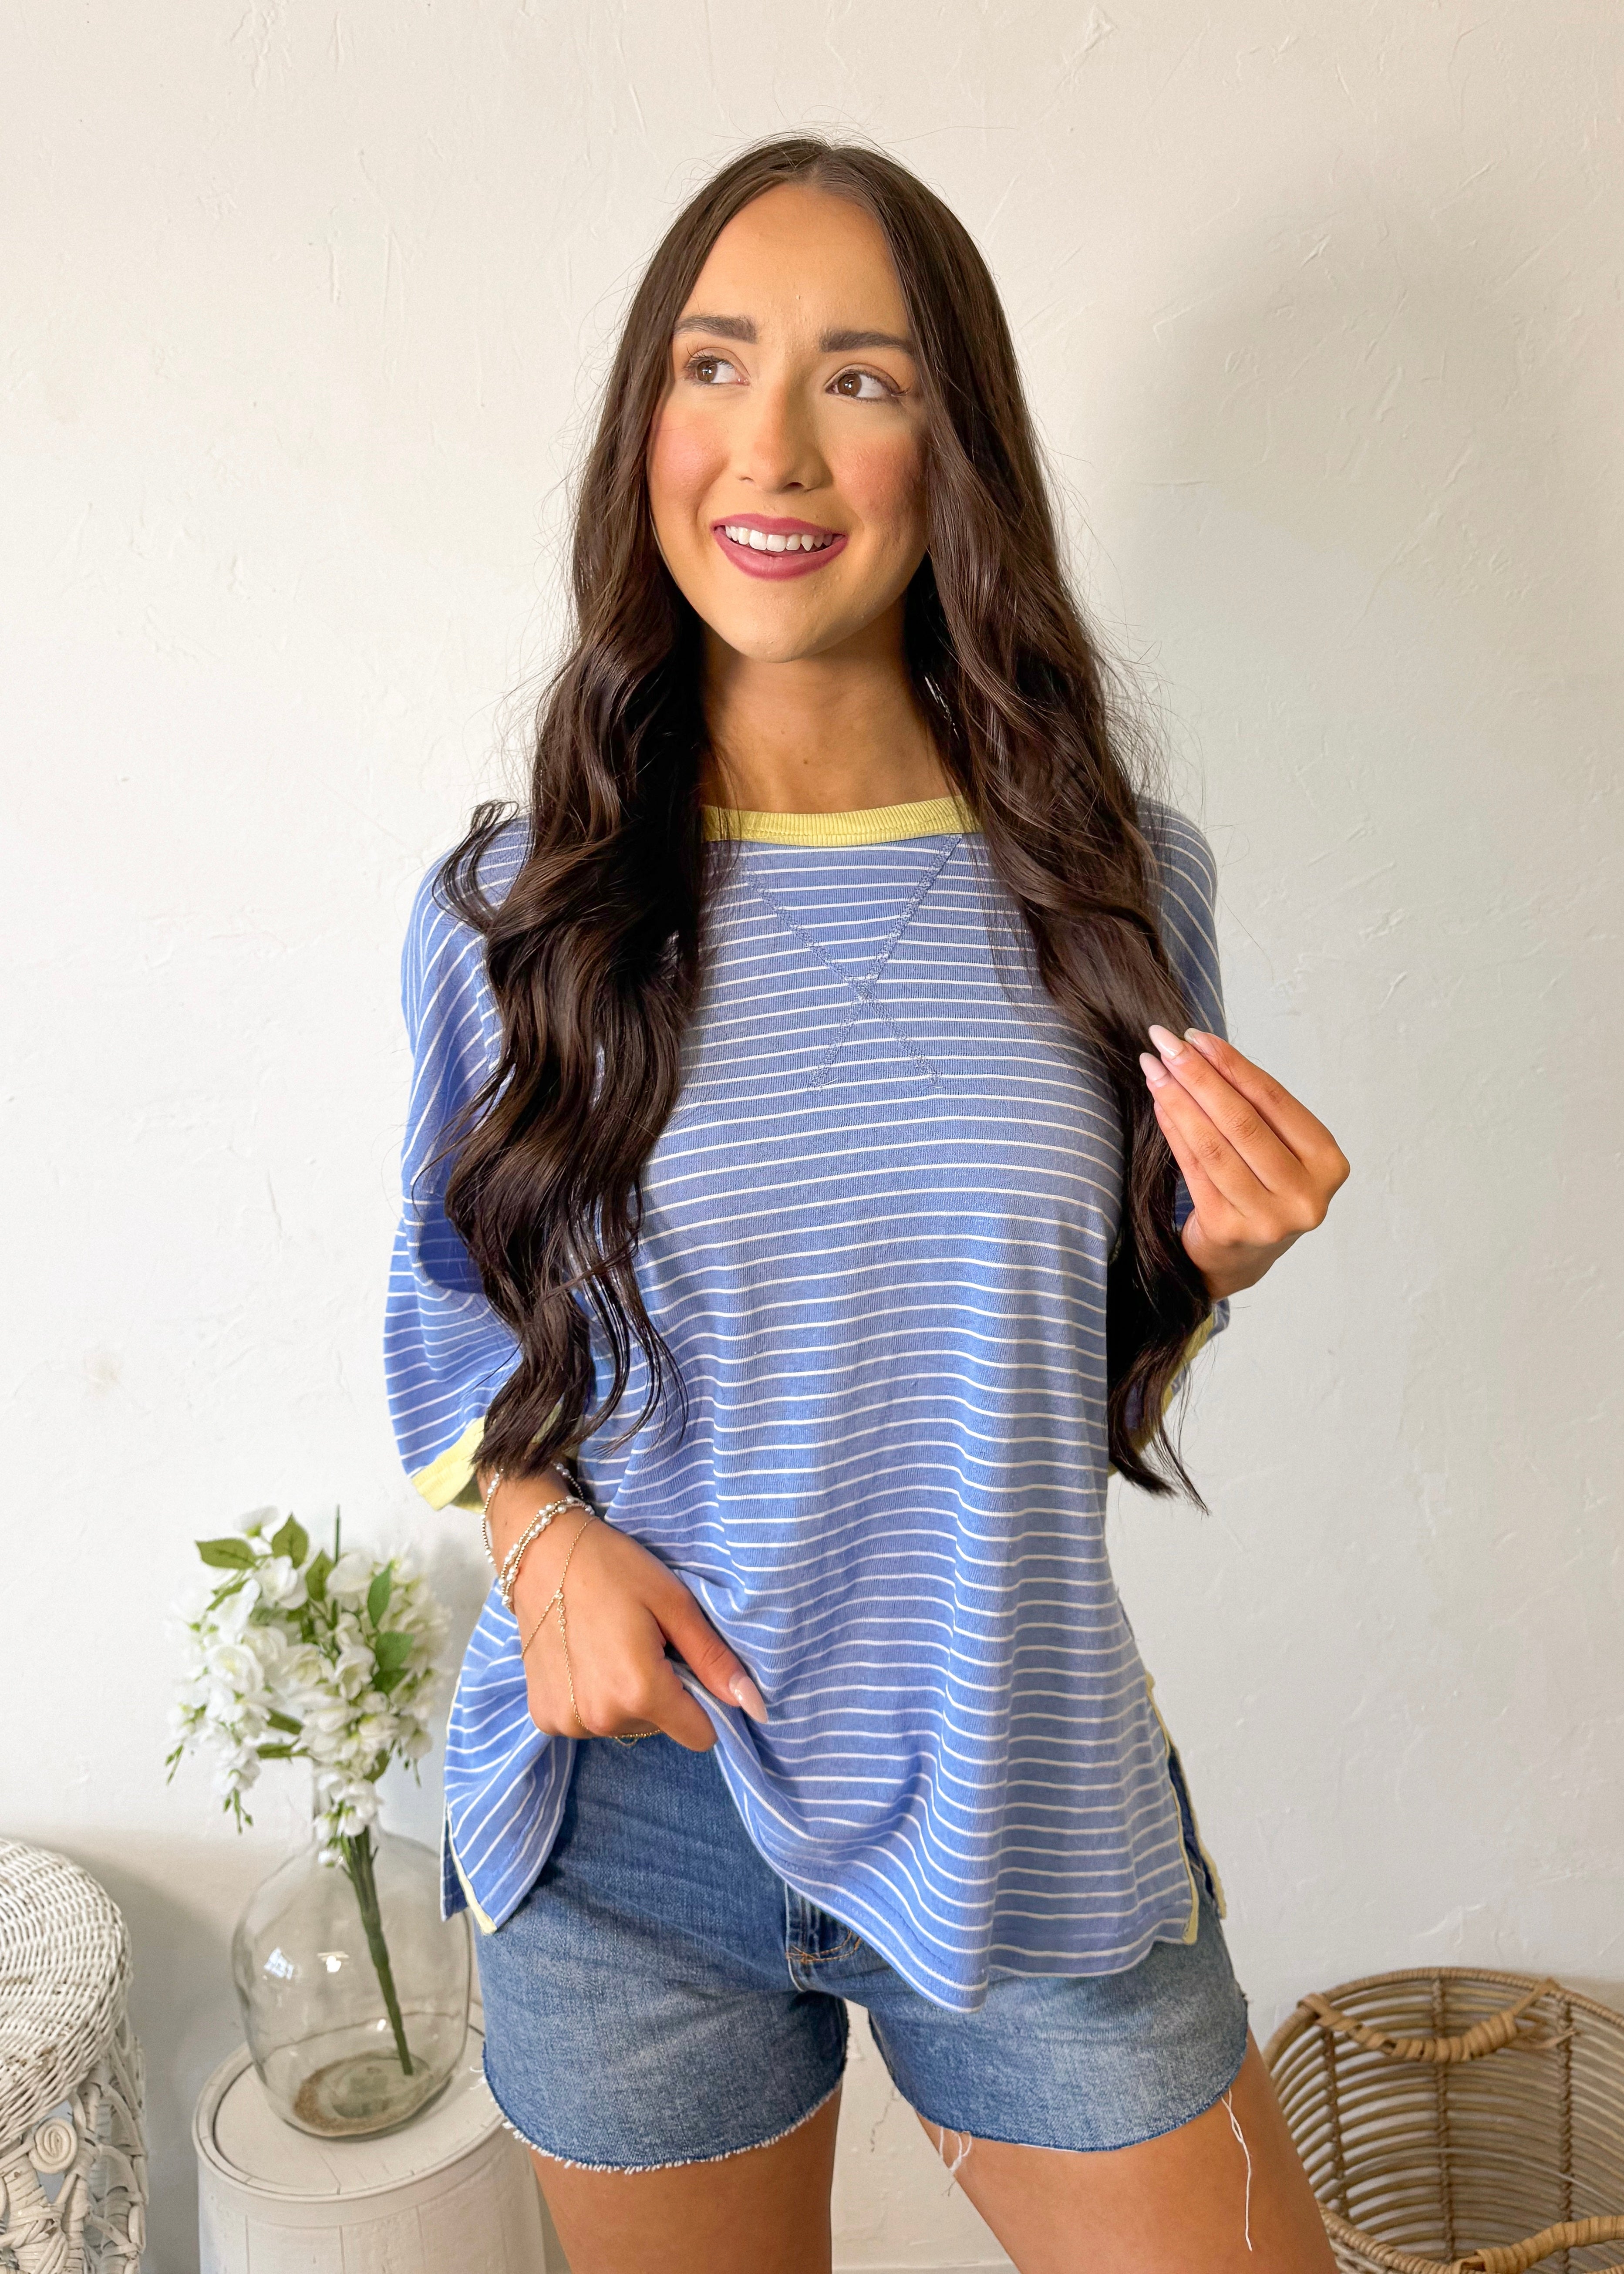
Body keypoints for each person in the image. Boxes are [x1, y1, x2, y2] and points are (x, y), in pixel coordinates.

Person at [386, 135, 1348, 2274]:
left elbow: (1066, 1365)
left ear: (953, 446)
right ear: (647, 423)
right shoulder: (509, 911)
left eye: (865, 380)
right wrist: (541, 1541)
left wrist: (1211, 1262)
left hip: (1022, 1779)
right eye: (716, 364)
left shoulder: (1117, 885)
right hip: (629, 1835)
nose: (777, 447)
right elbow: (450, 1330)